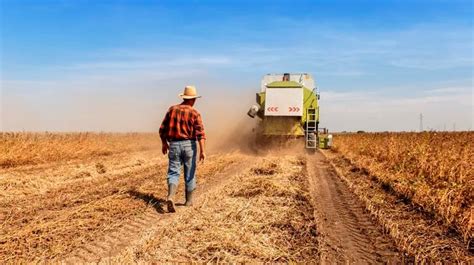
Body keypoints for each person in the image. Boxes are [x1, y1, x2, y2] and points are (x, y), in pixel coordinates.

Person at [159, 85, 206, 213]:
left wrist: (164, 143)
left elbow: (162, 129)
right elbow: (200, 134)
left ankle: (171, 196)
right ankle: (189, 201)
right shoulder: (195, 113)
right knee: (190, 173)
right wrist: (202, 151)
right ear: (193, 99)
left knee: (173, 172)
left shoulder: (172, 110)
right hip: (189, 145)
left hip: (174, 144)